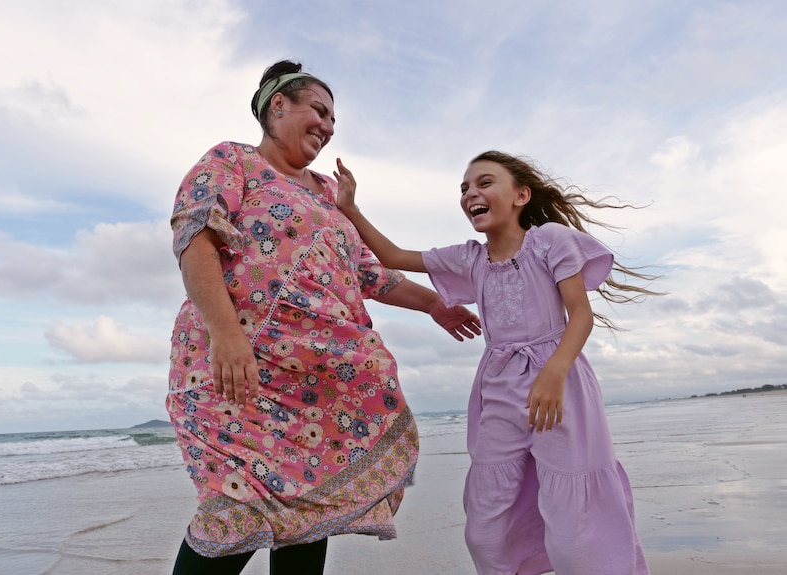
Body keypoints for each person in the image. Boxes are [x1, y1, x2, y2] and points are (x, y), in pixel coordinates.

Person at [166, 60, 481, 575]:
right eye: (319, 110)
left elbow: (368, 272)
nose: (329, 127)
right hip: (237, 370)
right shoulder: (233, 161)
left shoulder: (327, 196)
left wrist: (434, 305)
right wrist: (226, 333)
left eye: (334, 120)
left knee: (310, 508)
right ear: (278, 105)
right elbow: (195, 235)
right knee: (236, 508)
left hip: (317, 382)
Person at [334, 151, 657, 574]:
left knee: (575, 524)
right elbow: (393, 257)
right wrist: (351, 209)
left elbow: (580, 314)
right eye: (465, 188)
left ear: (521, 195)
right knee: (485, 529)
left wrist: (554, 372)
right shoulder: (469, 258)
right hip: (498, 386)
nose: (471, 194)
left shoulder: (550, 241)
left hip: (559, 386)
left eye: (484, 183)